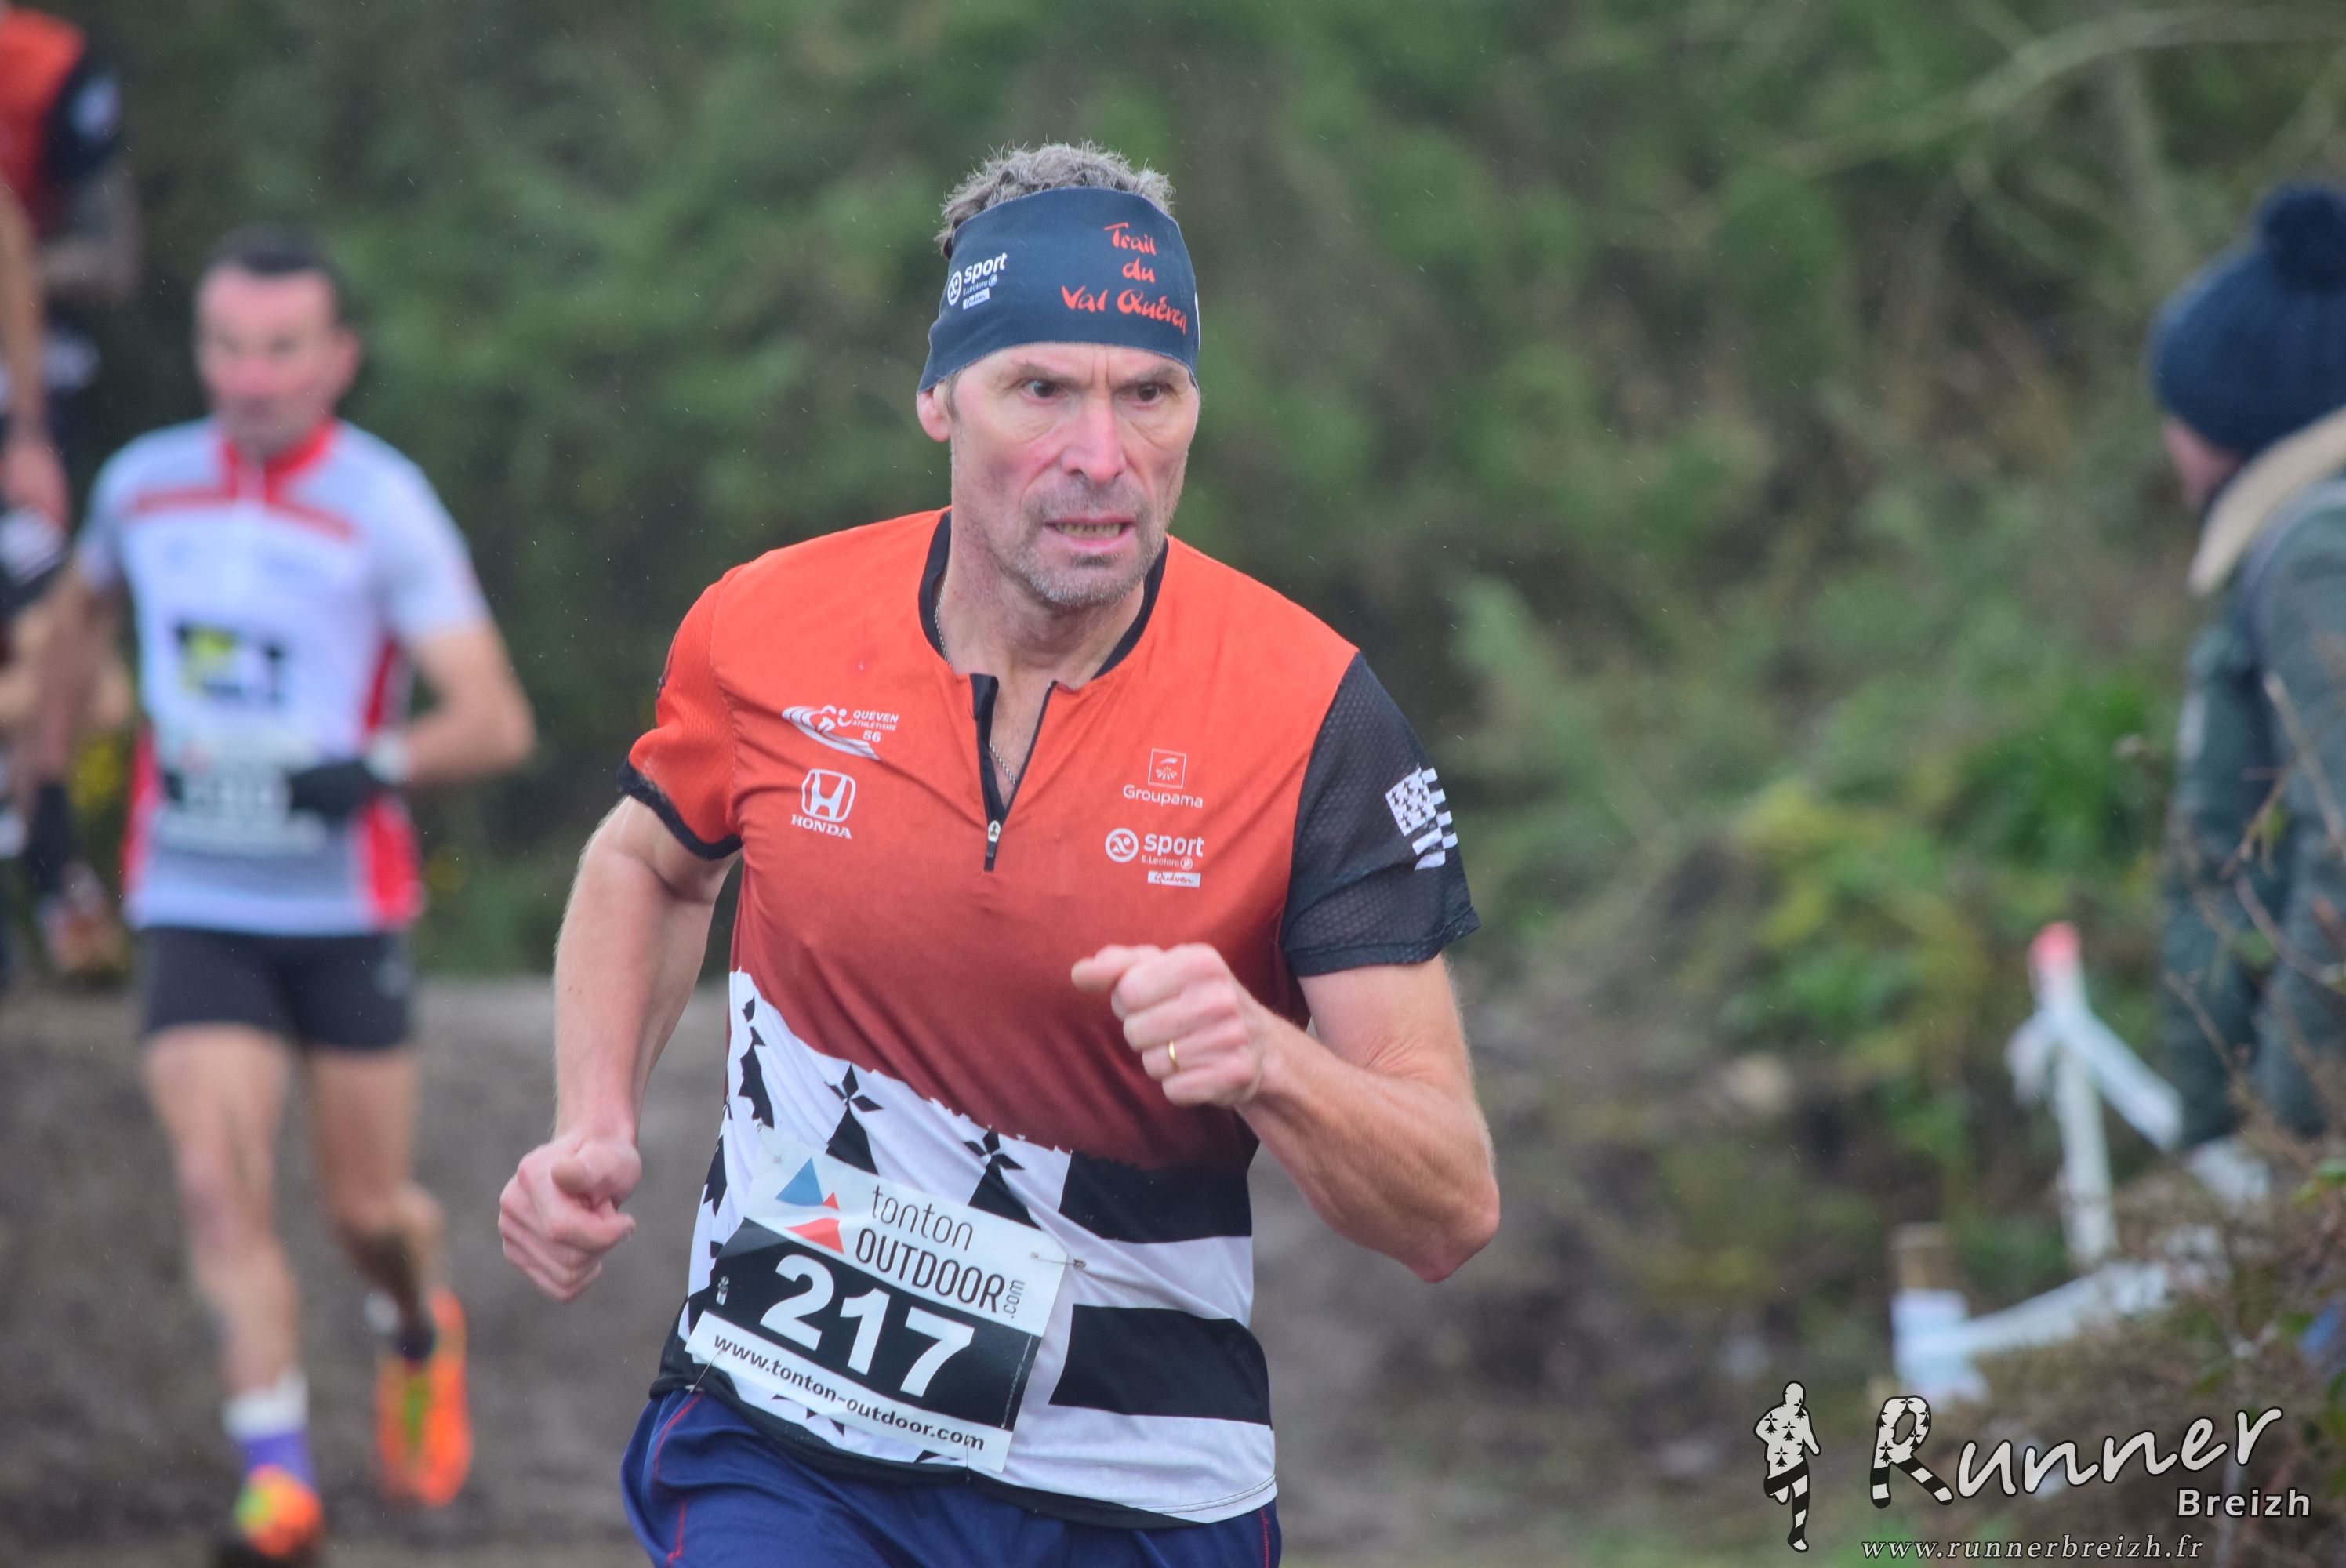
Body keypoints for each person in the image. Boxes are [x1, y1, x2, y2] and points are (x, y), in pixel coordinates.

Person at [499, 141, 1500, 1567]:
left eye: (1147, 394)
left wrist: (1271, 1062)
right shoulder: (766, 628)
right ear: (939, 398)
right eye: (1041, 389)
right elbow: (652, 865)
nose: (1103, 456)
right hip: (786, 1429)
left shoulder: (1313, 714)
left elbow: (1449, 1207)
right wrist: (591, 1119)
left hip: (1135, 1481)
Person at [25, 226, 535, 1566]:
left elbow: (493, 719)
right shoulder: (143, 487)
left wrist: (368, 769)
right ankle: (277, 1483)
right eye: (227, 347)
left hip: (343, 910)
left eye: (281, 349)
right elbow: (73, 632)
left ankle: (415, 1326)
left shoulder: (383, 504)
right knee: (215, 1181)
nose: (250, 377)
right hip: (193, 899)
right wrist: (50, 811)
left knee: (369, 1217)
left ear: (338, 358)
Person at [2152, 182, 2346, 1187]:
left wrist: (2287, 1126)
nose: (2167, 440)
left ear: (2237, 420)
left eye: (2178, 413)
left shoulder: (2316, 551)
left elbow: (2343, 843)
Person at [0, 2, 136, 982]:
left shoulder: (44, 66)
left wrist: (31, 431)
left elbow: (102, 256)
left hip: (22, 429)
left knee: (84, 670)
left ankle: (53, 871)